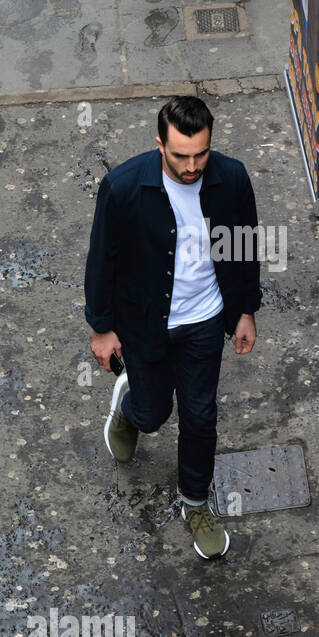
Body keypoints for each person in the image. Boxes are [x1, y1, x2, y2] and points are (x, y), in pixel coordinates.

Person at [83, 95, 262, 558]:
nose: (191, 166)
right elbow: (101, 261)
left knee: (201, 416)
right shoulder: (122, 188)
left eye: (200, 153)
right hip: (145, 323)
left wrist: (245, 310)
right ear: (159, 144)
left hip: (204, 318)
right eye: (180, 155)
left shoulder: (232, 179)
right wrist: (103, 330)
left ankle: (196, 504)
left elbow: (243, 248)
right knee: (156, 413)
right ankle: (129, 408)